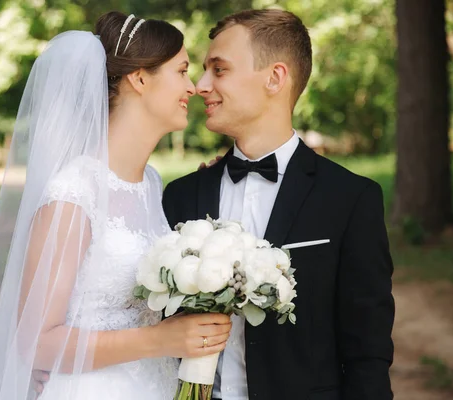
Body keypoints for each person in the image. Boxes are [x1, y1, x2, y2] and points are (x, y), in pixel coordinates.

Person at [0, 11, 232, 400]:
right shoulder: (74, 190)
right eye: (182, 71)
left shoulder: (151, 183)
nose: (193, 88)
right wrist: (159, 341)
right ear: (139, 78)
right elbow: (36, 342)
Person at [162, 9, 395, 400]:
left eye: (219, 70)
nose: (200, 85)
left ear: (275, 77)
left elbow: (367, 354)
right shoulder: (180, 195)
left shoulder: (351, 199)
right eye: (203, 71)